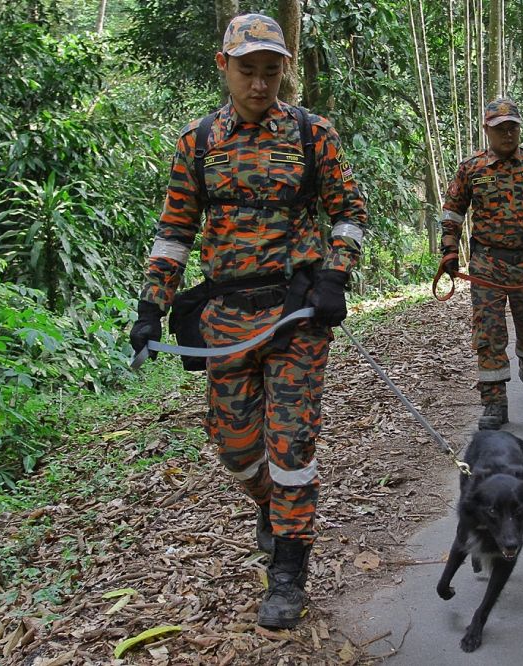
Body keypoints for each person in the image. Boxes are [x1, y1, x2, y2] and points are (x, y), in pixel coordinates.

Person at [128, 13, 367, 629]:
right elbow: (175, 229)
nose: (259, 85)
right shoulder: (200, 141)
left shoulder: (314, 134)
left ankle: (288, 572)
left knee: (291, 444)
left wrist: (335, 277)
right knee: (236, 448)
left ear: (285, 69)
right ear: (224, 67)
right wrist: (152, 306)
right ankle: (270, 505)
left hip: (295, 313)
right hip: (226, 318)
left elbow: (349, 213)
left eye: (270, 71)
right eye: (247, 71)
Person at [440, 99, 523, 430]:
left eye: (512, 126)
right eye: (500, 128)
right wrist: (448, 251)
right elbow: (453, 212)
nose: (507, 133)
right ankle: (494, 401)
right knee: (488, 331)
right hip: (487, 263)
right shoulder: (471, 167)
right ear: (487, 130)